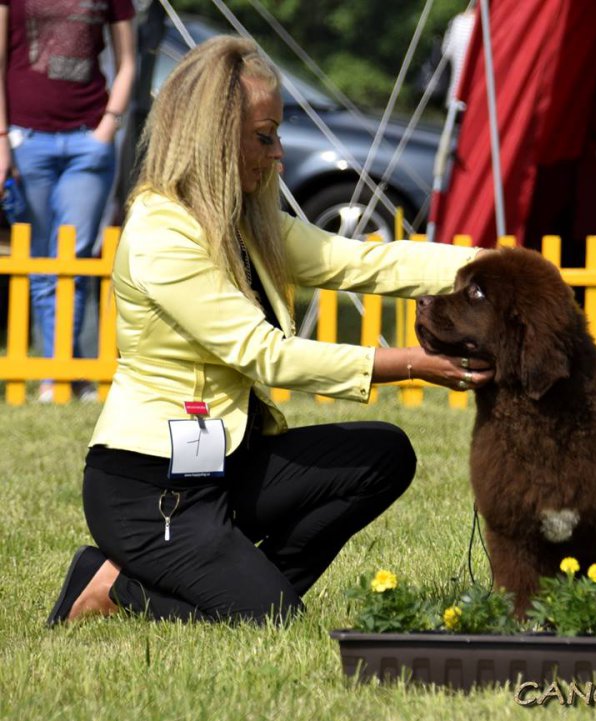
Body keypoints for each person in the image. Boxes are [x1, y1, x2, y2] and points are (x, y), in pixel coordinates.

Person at [46, 36, 494, 626]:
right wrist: (412, 364)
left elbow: (362, 262)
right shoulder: (162, 234)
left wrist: (497, 267)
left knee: (384, 455)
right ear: (214, 135)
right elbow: (266, 357)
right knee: (271, 621)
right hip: (152, 490)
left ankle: (248, 593)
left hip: (226, 465)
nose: (279, 152)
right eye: (265, 136)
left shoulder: (245, 219)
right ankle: (113, 587)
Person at [0, 0, 136, 402]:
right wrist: (2, 138)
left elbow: (127, 61)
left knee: (72, 257)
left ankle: (54, 376)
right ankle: (65, 371)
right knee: (42, 260)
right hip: (26, 139)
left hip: (87, 139)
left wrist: (108, 125)